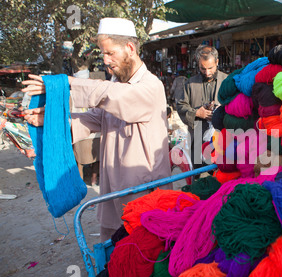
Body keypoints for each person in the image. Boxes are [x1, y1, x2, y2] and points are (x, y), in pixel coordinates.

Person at [22, 17, 171, 242]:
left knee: (141, 255)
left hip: (142, 191)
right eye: (102, 53)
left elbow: (113, 96)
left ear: (130, 48)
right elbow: (93, 118)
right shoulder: (116, 83)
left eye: (110, 53)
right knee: (111, 254)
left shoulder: (150, 87)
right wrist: (50, 124)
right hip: (112, 189)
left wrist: (65, 85)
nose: (105, 60)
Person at [176, 45, 227, 170]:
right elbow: (181, 106)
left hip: (223, 138)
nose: (207, 72)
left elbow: (237, 106)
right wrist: (197, 113)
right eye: (203, 68)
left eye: (210, 68)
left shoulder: (227, 81)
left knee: (221, 173)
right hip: (197, 137)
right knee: (199, 173)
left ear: (217, 62)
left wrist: (223, 109)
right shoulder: (190, 84)